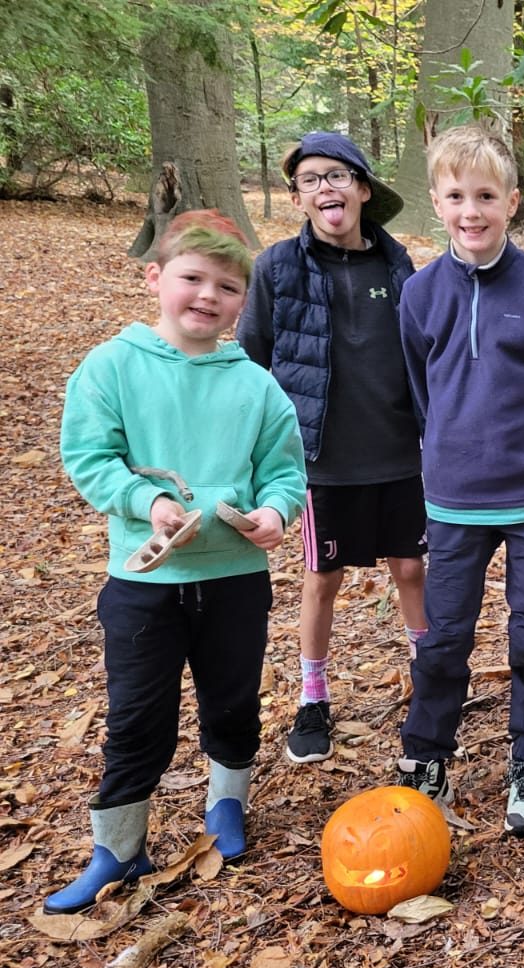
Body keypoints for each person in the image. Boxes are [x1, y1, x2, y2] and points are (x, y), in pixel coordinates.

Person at [47, 211, 306, 913]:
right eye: (193, 278)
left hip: (234, 581)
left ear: (241, 301)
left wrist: (276, 513)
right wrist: (144, 500)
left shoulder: (253, 383)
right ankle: (119, 847)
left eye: (226, 286)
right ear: (156, 277)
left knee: (233, 699)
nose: (207, 297)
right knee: (137, 715)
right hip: (146, 581)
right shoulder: (113, 366)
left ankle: (227, 806)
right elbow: (89, 456)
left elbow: (283, 469)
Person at [396, 124, 524, 837]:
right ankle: (426, 757)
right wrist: (447, 449)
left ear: (510, 202)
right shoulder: (419, 293)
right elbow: (422, 389)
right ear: (437, 203)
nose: (470, 210)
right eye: (455, 196)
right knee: (443, 636)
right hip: (454, 499)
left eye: (485, 196)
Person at [238, 131, 425, 765]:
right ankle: (313, 697)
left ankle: (428, 674)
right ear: (299, 198)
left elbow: (425, 354)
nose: (326, 188)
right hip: (321, 459)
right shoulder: (276, 268)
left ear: (363, 190)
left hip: (402, 451)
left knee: (410, 568)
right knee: (323, 577)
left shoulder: (398, 265)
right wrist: (255, 456)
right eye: (311, 179)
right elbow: (251, 363)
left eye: (338, 176)